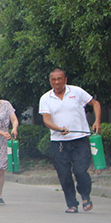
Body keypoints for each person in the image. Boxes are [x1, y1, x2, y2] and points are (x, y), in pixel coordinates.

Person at [39, 68, 102, 213]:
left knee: (80, 171)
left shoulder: (76, 91)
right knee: (64, 173)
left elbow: (95, 104)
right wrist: (58, 128)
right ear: (50, 81)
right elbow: (46, 120)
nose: (57, 82)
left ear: (65, 80)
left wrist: (97, 121)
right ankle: (72, 204)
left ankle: (85, 196)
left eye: (59, 79)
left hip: (79, 139)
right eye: (53, 80)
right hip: (59, 141)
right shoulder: (45, 98)